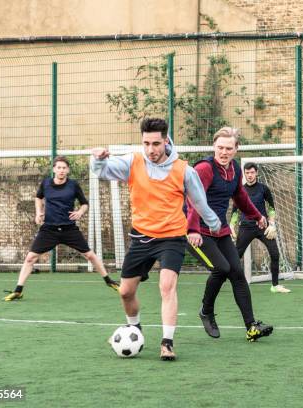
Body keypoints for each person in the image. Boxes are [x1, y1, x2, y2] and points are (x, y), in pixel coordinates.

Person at [91, 118, 221, 361]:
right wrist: (97, 158)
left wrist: (215, 224)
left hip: (171, 237)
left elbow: (200, 202)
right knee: (125, 292)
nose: (151, 149)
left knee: (166, 287)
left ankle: (167, 343)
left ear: (166, 141)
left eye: (156, 144)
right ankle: (135, 329)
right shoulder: (133, 161)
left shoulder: (184, 170)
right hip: (141, 236)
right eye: (146, 143)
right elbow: (101, 171)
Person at [187, 127, 273, 342]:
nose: (223, 152)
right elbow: (192, 199)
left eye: (228, 148)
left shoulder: (234, 168)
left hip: (220, 230)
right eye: (220, 148)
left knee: (236, 272)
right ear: (213, 147)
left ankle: (251, 326)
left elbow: (240, 197)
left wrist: (257, 216)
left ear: (236, 149)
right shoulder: (205, 169)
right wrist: (193, 229)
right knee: (221, 268)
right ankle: (206, 311)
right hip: (197, 231)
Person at [3, 156, 119, 301]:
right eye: (59, 168)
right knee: (30, 258)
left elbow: (84, 203)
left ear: (68, 170)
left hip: (69, 229)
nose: (61, 170)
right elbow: (38, 198)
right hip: (49, 230)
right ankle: (18, 290)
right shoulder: (46, 183)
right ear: (54, 169)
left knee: (90, 255)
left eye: (64, 168)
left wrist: (80, 212)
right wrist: (39, 212)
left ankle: (110, 282)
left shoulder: (73, 185)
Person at [230, 162, 290, 293]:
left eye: (252, 172)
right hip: (245, 227)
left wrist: (272, 224)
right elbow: (235, 211)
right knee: (235, 256)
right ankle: (226, 281)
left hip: (263, 227)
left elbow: (271, 208)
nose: (249, 175)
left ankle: (275, 285)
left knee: (275, 253)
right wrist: (231, 225)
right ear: (244, 174)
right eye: (247, 173)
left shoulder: (264, 189)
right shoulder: (240, 190)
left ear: (256, 173)